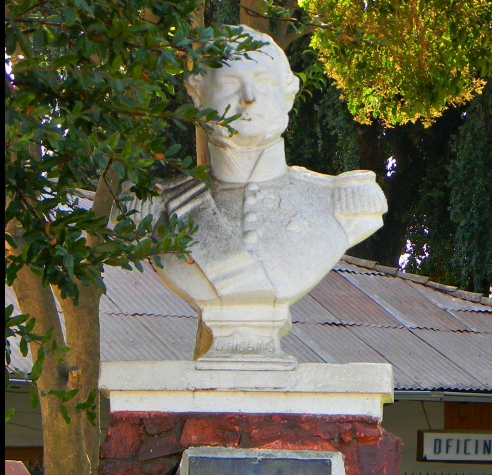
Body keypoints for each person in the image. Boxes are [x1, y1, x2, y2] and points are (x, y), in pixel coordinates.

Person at [128, 27, 387, 365]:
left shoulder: (341, 206)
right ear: (198, 95)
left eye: (263, 82)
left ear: (288, 94)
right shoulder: (158, 209)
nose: (248, 97)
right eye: (229, 83)